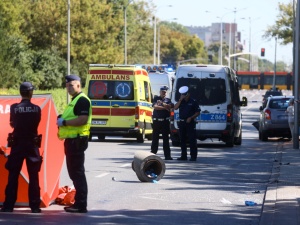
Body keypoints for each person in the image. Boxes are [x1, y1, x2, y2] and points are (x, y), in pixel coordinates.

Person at [1, 82, 42, 213]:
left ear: (20, 92)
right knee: (34, 176)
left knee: (13, 175)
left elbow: (13, 123)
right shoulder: (37, 109)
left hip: (17, 144)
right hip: (32, 145)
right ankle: (35, 206)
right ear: (31, 93)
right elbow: (36, 123)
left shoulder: (14, 108)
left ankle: (8, 205)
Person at [57, 75, 92, 213]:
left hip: (77, 140)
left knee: (77, 173)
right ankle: (79, 203)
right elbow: (74, 116)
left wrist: (64, 122)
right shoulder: (75, 100)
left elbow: (82, 119)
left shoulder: (82, 100)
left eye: (71, 85)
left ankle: (80, 204)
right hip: (72, 140)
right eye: (67, 86)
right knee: (74, 173)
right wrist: (62, 118)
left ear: (78, 85)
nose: (68, 88)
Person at [174, 86, 200, 161]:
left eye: (184, 95)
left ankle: (193, 156)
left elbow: (198, 112)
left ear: (188, 94)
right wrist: (180, 100)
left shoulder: (193, 101)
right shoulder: (181, 101)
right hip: (182, 122)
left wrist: (191, 117)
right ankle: (183, 156)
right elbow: (175, 108)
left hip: (190, 123)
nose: (183, 96)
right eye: (182, 95)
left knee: (192, 139)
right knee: (182, 140)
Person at [151, 86, 173, 160]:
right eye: (163, 92)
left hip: (165, 121)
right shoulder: (156, 98)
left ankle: (167, 155)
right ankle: (153, 154)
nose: (164, 93)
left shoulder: (168, 100)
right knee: (155, 138)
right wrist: (165, 108)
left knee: (166, 139)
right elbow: (155, 107)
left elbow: (170, 107)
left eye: (165, 92)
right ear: (160, 92)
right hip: (157, 121)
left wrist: (163, 104)